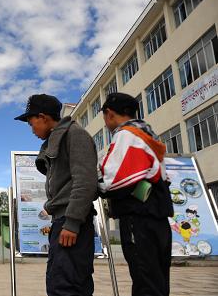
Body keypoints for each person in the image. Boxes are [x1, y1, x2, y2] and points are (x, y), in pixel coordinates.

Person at [15, 94, 98, 296]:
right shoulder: (57, 140)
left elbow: (85, 181)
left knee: (66, 286)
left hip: (72, 223)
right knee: (61, 282)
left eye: (31, 122)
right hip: (62, 220)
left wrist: (72, 222)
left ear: (43, 117)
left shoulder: (74, 135)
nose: (31, 128)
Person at [100, 92, 173, 296]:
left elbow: (114, 180)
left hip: (138, 217)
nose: (105, 122)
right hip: (157, 217)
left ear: (110, 114)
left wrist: (96, 186)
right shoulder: (148, 134)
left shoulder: (126, 134)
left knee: (144, 280)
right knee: (157, 280)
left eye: (105, 117)